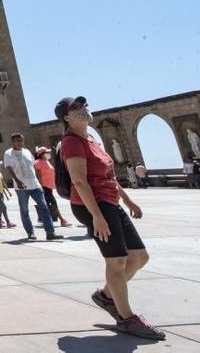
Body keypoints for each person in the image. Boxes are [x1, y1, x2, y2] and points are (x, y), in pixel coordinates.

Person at [56, 96, 165, 340]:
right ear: (66, 117)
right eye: (76, 108)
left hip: (110, 202)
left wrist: (127, 200)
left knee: (138, 257)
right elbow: (80, 181)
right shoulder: (71, 142)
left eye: (83, 106)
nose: (83, 110)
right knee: (116, 261)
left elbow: (109, 175)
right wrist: (96, 216)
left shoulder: (92, 139)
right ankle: (127, 319)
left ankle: (106, 296)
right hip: (92, 205)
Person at [3, 133, 63, 242]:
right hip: (21, 187)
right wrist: (17, 181)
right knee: (25, 210)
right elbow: (9, 168)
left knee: (44, 207)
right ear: (12, 142)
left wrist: (39, 180)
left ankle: (50, 232)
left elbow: (33, 166)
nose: (20, 143)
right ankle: (30, 233)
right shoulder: (8, 153)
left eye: (21, 140)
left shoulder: (27, 151)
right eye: (17, 141)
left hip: (35, 185)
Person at [35, 147, 72, 227]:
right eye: (46, 152)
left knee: (47, 204)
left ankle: (44, 219)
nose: (48, 154)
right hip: (44, 187)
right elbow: (37, 175)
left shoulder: (46, 161)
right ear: (41, 154)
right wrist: (40, 186)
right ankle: (62, 220)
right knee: (53, 203)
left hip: (49, 187)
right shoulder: (38, 162)